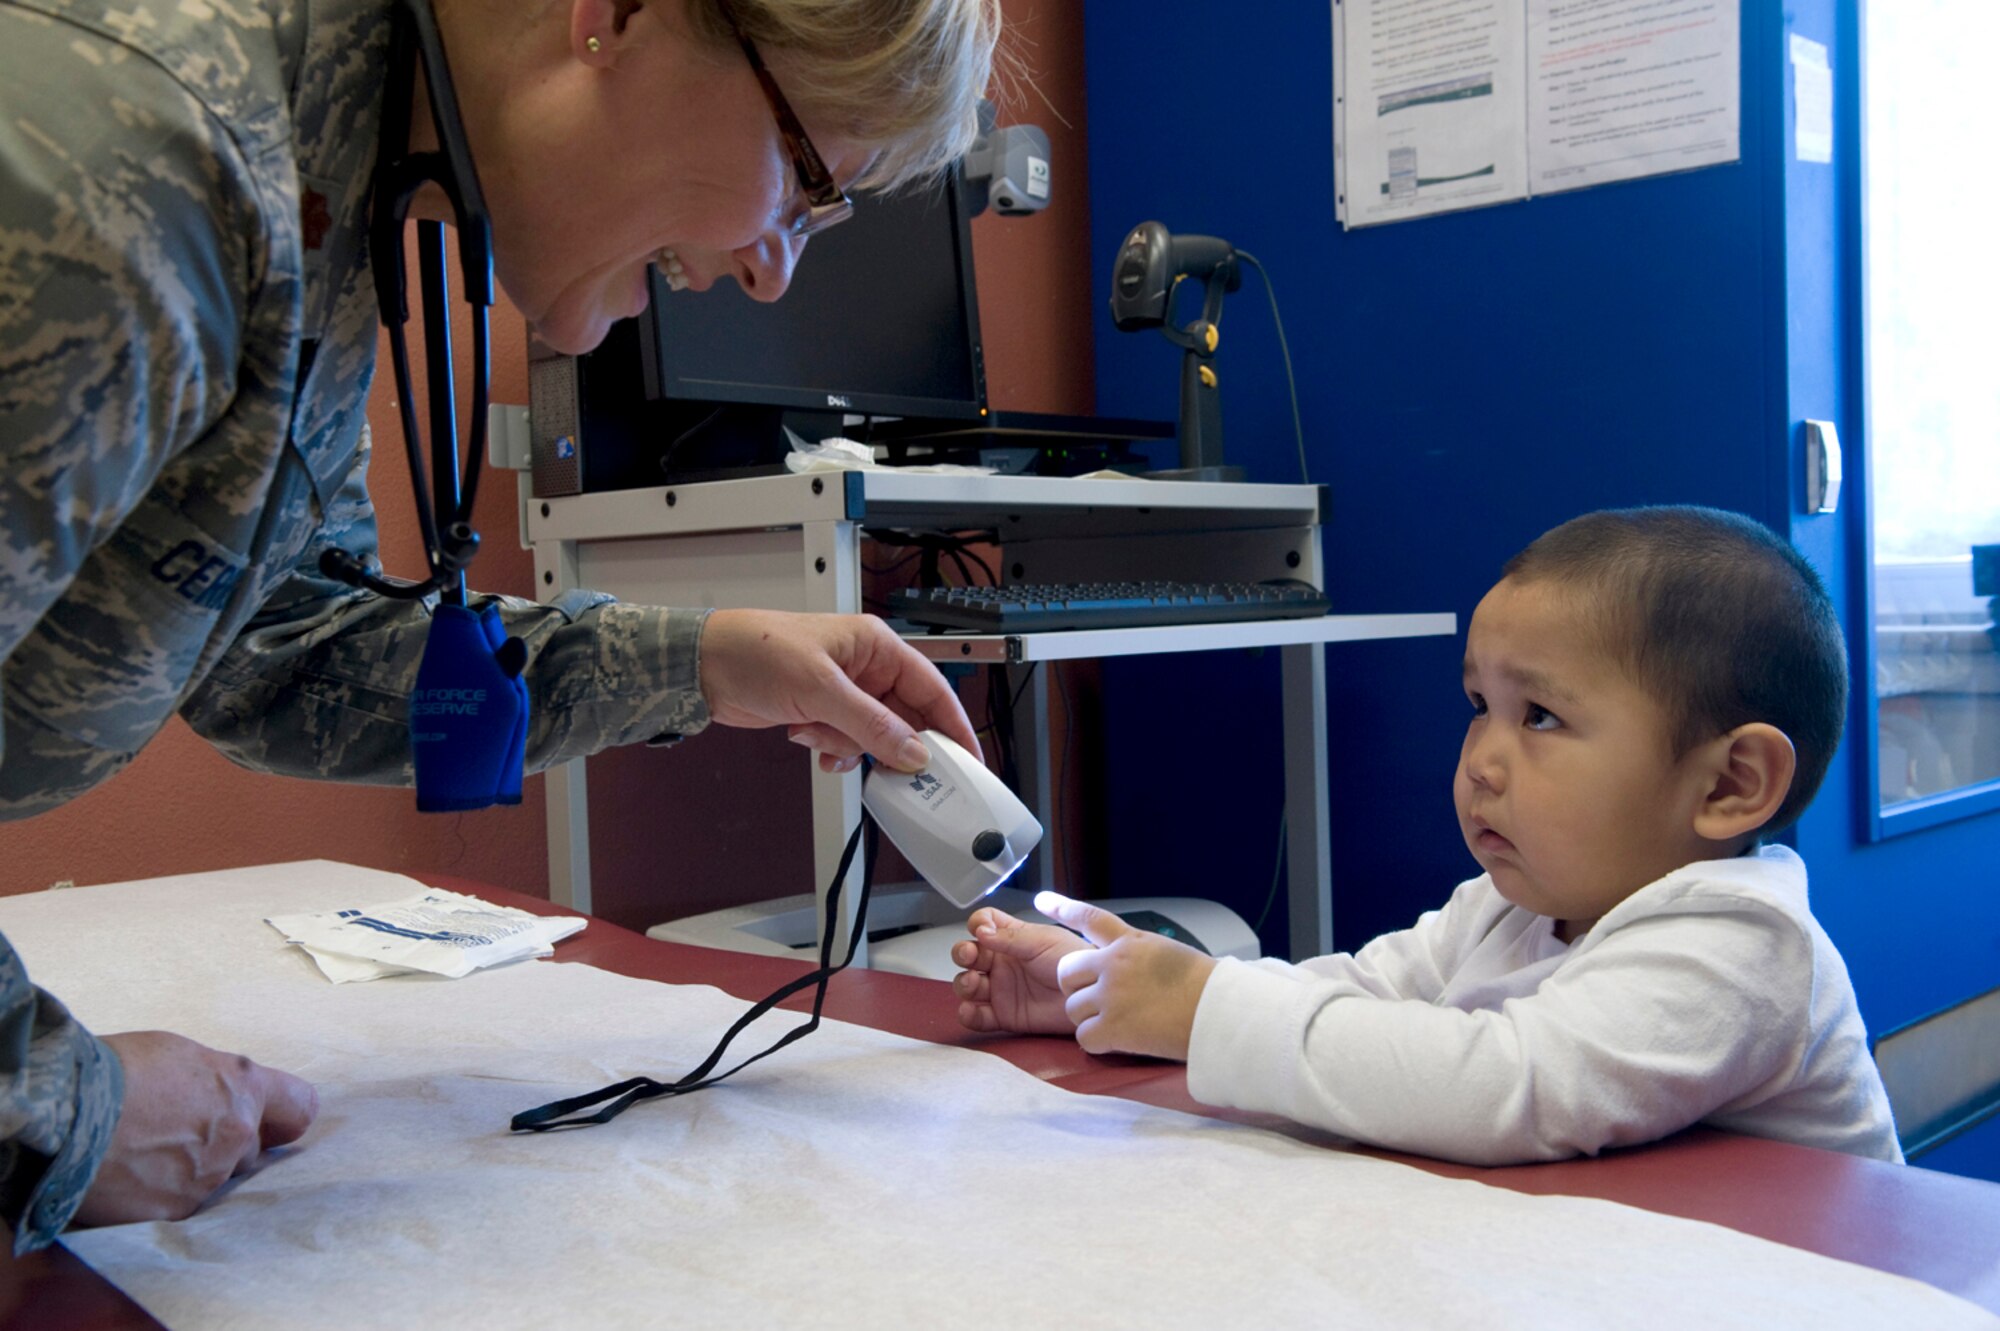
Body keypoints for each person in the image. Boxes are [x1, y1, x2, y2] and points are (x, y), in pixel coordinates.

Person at [0, 0, 1002, 1251]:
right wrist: (64, 1109)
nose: (770, 267)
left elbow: (277, 650)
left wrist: (704, 663)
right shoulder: (134, 164)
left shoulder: (332, 186)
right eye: (804, 184)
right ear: (613, 15)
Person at [951, 506, 1903, 1165]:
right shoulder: (1515, 905)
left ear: (1731, 785)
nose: (1481, 759)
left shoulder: (1743, 943)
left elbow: (1510, 1085)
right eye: (1478, 705)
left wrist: (1200, 1010)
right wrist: (1113, 992)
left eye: (1539, 719)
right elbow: (1360, 989)